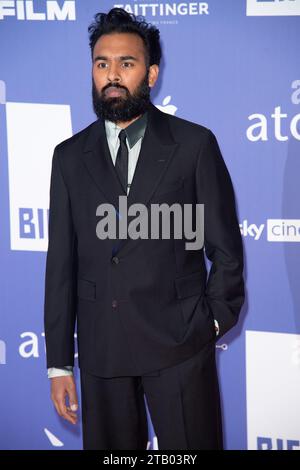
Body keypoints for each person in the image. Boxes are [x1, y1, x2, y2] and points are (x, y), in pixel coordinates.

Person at [44, 7, 244, 450]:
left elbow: (225, 248)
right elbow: (60, 264)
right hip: (102, 351)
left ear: (150, 74)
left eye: (126, 64)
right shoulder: (68, 157)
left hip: (178, 346)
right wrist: (59, 364)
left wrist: (210, 322)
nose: (112, 75)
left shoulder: (193, 145)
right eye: (102, 64)